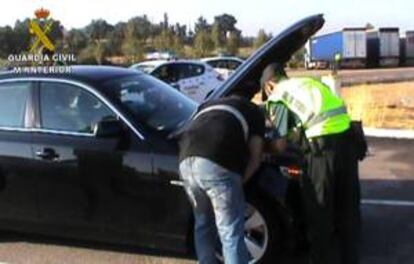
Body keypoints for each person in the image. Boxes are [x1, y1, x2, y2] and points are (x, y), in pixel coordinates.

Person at [261, 63, 361, 264]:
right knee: (348, 214)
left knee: (319, 216)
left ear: (269, 85)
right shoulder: (309, 83)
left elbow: (280, 146)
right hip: (348, 147)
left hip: (321, 155)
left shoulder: (279, 96)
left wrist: (264, 150)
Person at [178, 87, 265, 264]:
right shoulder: (255, 112)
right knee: (230, 232)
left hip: (185, 161)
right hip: (215, 164)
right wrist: (238, 183)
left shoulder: (207, 106)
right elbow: (256, 158)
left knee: (203, 224)